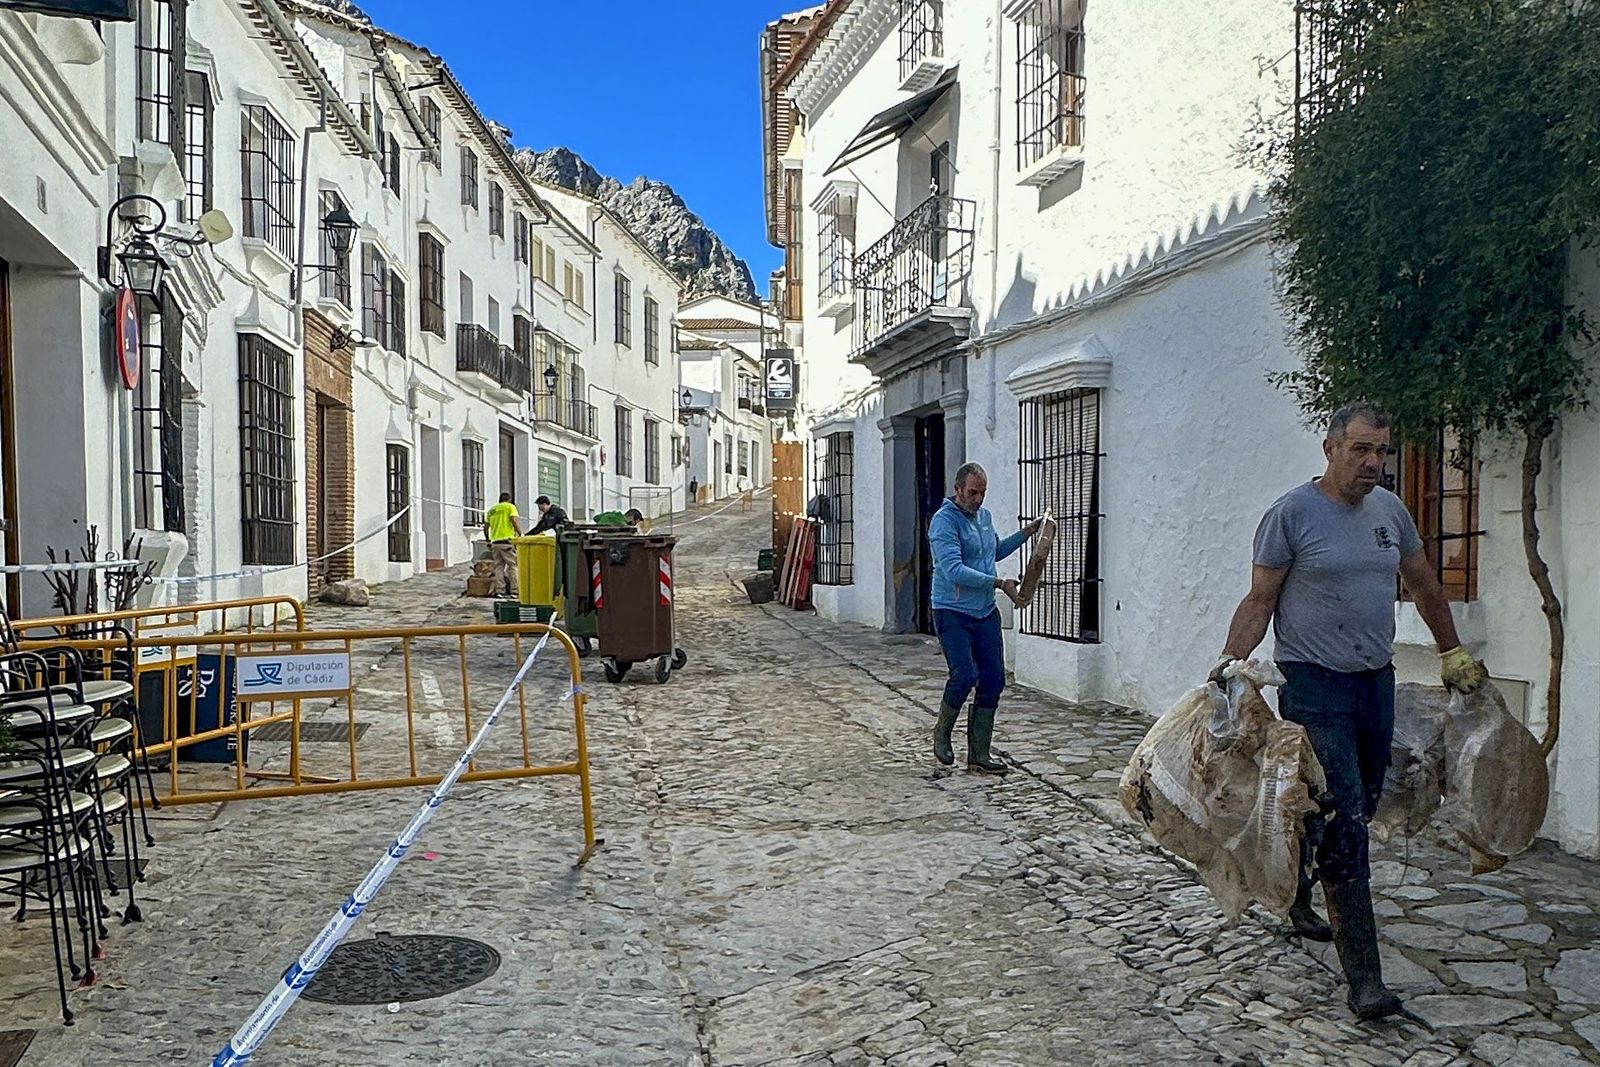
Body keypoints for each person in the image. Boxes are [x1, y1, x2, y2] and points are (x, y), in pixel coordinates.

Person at [1214, 402, 1486, 1021]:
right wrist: (1231, 663)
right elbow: (1260, 599)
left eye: (1382, 451)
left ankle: (1296, 889)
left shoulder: (1390, 512)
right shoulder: (1291, 514)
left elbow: (1424, 582)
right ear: (1330, 448)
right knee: (1345, 822)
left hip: (1374, 683)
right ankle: (1365, 980)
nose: (1374, 463)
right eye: (1361, 449)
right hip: (1313, 684)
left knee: (1352, 800)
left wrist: (1451, 650)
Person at [928, 462, 1044, 774]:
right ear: (957, 490)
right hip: (952, 610)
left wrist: (1028, 532)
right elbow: (954, 570)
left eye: (982, 493)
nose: (978, 499)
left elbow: (994, 551)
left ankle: (979, 754)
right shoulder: (943, 523)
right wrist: (998, 583)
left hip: (984, 610)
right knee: (964, 675)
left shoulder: (984, 518)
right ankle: (942, 732)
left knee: (993, 679)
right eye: (972, 493)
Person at [482, 492, 521, 598]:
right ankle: (514, 591)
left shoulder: (492, 510)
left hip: (495, 542)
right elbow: (514, 520)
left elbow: (486, 527)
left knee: (499, 567)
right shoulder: (510, 507)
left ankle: (500, 591)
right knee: (513, 566)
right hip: (507, 542)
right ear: (509, 499)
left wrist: (488, 540)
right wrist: (520, 534)